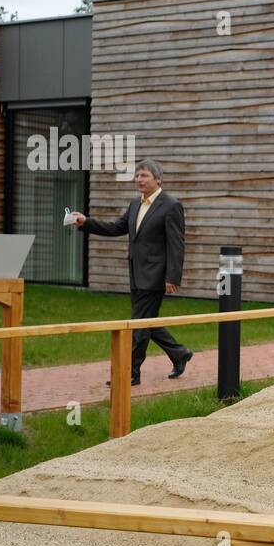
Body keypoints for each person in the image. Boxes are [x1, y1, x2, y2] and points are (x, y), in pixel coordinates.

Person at [70, 159, 192, 386]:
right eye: (137, 176)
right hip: (136, 273)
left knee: (138, 325)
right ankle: (179, 353)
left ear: (158, 179)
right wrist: (86, 222)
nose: (139, 180)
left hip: (155, 276)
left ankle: (129, 373)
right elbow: (117, 227)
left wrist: (173, 277)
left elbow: (177, 244)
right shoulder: (135, 204)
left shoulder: (171, 205)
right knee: (145, 321)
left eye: (144, 175)